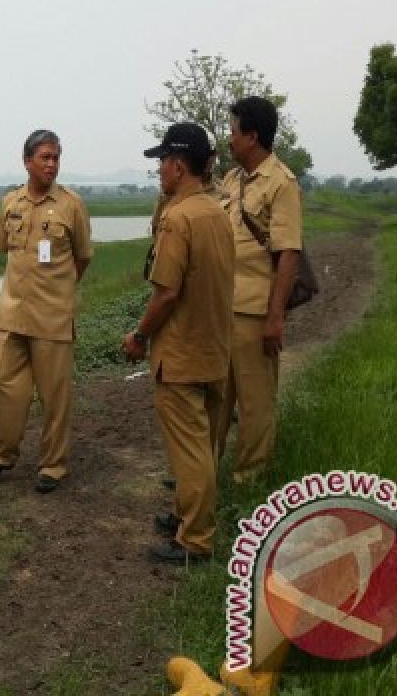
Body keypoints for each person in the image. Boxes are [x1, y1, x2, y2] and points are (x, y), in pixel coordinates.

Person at [123, 123, 234, 564]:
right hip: (212, 349)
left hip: (182, 355)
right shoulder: (216, 212)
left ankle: (195, 541)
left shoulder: (179, 218)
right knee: (202, 446)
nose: (158, 172)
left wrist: (140, 335)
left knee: (190, 454)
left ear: (177, 164)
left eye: (161, 163)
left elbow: (166, 292)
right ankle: (187, 517)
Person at [0, 130, 93, 493]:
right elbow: (5, 250)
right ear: (27, 160)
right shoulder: (11, 203)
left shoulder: (72, 205)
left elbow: (83, 257)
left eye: (56, 157)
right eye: (44, 157)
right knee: (1, 380)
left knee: (54, 395)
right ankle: (3, 454)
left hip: (52, 316)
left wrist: (59, 291)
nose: (51, 164)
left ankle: (53, 465)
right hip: (11, 312)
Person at [212, 96, 303, 485]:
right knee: (214, 398)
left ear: (252, 136)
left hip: (254, 312)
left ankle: (248, 479)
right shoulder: (232, 181)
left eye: (233, 132)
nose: (229, 139)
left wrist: (275, 318)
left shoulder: (281, 183)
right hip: (221, 308)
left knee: (254, 402)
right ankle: (203, 472)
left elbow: (288, 254)